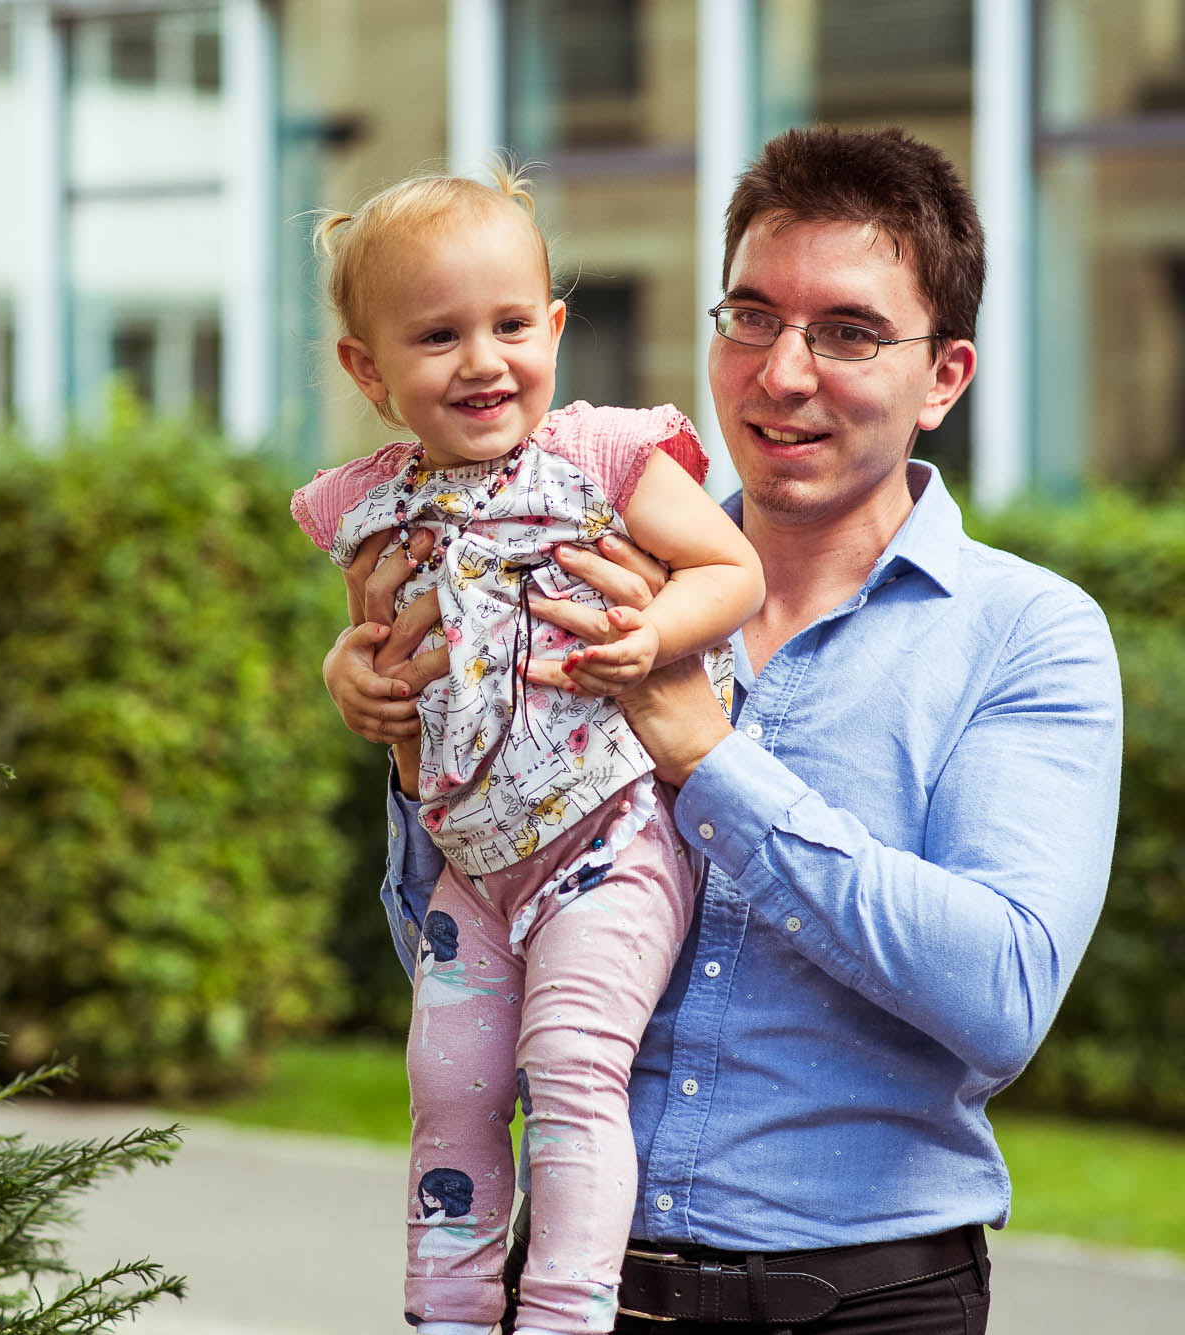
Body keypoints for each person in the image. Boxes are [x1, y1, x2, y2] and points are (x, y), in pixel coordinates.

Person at [326, 127, 1123, 1335]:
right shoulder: (575, 552)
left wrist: (707, 757)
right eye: (748, 317)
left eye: (846, 333)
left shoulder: (1025, 636)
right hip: (569, 1291)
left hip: (863, 1301)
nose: (781, 372)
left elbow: (1001, 993)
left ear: (944, 376)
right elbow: (468, 951)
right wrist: (406, 738)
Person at [291, 167, 765, 1335]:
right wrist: (342, 675)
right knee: (445, 1094)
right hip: (469, 863)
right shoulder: (369, 503)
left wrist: (651, 634)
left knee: (567, 1072)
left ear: (554, 328)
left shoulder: (601, 459)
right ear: (368, 370)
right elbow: (367, 639)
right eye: (436, 336)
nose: (482, 361)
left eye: (510, 324)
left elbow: (731, 572)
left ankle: (561, 1316)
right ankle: (447, 1317)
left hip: (606, 841)